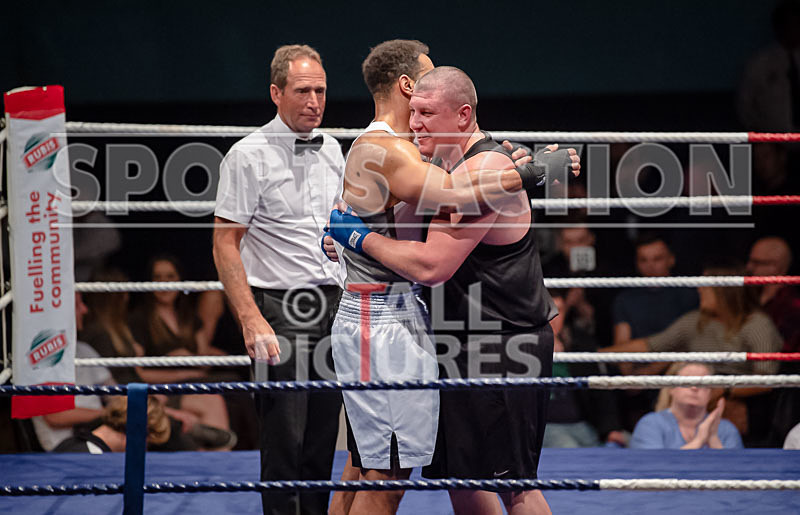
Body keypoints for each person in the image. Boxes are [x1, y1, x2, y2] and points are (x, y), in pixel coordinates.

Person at [327, 65, 576, 515]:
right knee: (462, 480)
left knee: (513, 484)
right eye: (414, 111)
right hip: (456, 339)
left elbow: (432, 265)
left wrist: (359, 239)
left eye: (426, 113)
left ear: (462, 116)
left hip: (503, 343)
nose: (414, 122)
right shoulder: (444, 165)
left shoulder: (483, 169)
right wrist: (347, 241)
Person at [212, 44, 345, 515]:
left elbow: (338, 224)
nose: (315, 100)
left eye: (321, 90)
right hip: (278, 310)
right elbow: (224, 243)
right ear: (276, 93)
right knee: (284, 442)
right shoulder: (247, 155)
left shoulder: (332, 148)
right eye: (303, 90)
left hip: (333, 307)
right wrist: (250, 319)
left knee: (321, 443)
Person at [600, 263, 783, 441]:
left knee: (720, 407)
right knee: (674, 394)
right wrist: (596, 355)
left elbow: (766, 379)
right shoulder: (696, 322)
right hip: (697, 388)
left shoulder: (757, 325)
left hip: (738, 397)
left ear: (724, 291)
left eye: (706, 285)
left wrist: (725, 389)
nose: (699, 289)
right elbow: (649, 346)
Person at [612, 234, 698, 429]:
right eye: (644, 260)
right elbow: (621, 343)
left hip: (676, 373)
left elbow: (689, 342)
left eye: (657, 259)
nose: (650, 265)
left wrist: (649, 373)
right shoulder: (626, 298)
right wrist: (630, 377)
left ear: (671, 259)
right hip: (637, 380)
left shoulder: (688, 294)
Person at [544, 290, 626, 448]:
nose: (552, 318)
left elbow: (600, 391)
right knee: (570, 448)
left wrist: (610, 429)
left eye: (558, 311)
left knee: (628, 442)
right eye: (546, 311)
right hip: (547, 426)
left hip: (582, 425)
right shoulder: (523, 350)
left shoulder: (580, 344)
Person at [32, 293, 112, 451]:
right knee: (124, 439)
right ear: (62, 312)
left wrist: (147, 404)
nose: (85, 309)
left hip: (96, 431)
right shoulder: (43, 356)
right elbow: (55, 417)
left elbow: (115, 393)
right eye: (77, 305)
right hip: (66, 444)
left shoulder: (83, 349)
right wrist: (107, 413)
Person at [746, 236, 800, 446]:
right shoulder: (748, 296)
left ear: (777, 266)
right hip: (745, 373)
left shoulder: (793, 306)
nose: (749, 267)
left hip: (774, 388)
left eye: (757, 262)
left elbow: (784, 358)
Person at [630, 362, 743, 450]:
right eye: (687, 381)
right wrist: (698, 441)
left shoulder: (727, 430)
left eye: (702, 383)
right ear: (671, 388)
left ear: (709, 393)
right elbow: (653, 469)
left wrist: (713, 440)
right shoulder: (650, 424)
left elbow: (739, 473)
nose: (694, 388)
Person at [53, 396, 171, 454]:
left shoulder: (70, 443)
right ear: (139, 434)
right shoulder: (92, 458)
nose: (144, 451)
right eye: (147, 444)